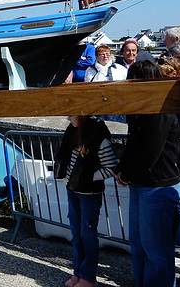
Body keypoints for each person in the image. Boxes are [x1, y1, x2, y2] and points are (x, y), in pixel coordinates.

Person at [115, 61, 180, 287]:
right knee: (141, 242)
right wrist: (123, 170)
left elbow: (150, 149)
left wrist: (126, 173)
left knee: (156, 246)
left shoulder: (159, 109)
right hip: (145, 183)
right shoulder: (143, 109)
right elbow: (134, 144)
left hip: (158, 185)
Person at [55, 115, 117, 287]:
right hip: (74, 190)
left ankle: (88, 277)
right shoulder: (74, 132)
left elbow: (111, 167)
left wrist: (87, 178)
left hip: (89, 193)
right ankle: (78, 273)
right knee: (77, 235)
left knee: (87, 236)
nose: (67, 118)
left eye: (71, 114)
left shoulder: (98, 136)